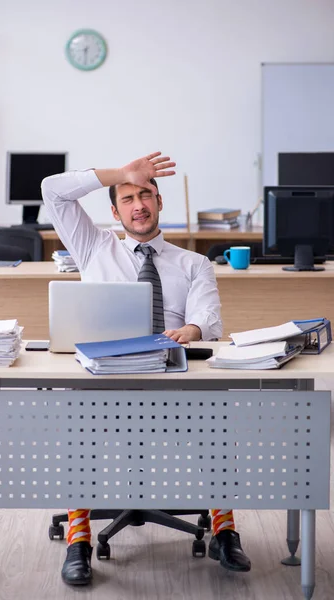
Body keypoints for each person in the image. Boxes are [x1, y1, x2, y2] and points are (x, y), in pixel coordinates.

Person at [41, 152, 251, 586]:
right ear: (115, 211)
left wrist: (192, 329)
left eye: (146, 195)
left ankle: (225, 531)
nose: (139, 204)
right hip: (104, 387)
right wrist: (120, 173)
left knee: (217, 411)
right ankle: (78, 539)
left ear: (159, 203)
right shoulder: (94, 247)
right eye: (128, 198)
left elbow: (209, 319)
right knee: (77, 415)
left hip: (173, 387)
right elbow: (52, 191)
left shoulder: (193, 263)